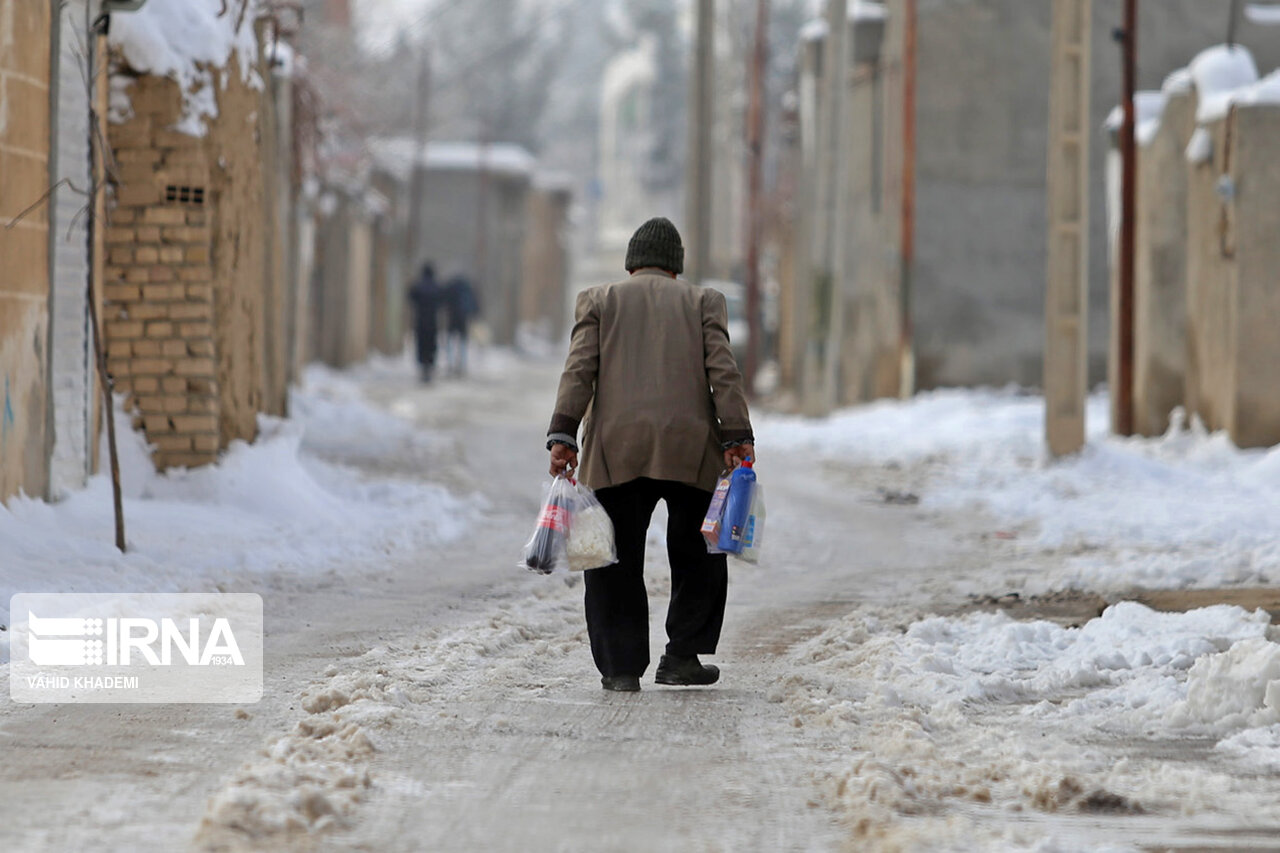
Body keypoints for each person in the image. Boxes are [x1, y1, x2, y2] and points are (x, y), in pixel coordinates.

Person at [545, 217, 755, 693]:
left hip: (617, 450)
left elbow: (579, 371)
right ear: (675, 268)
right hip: (690, 447)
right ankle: (682, 656)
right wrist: (738, 435)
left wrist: (563, 434)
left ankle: (620, 669)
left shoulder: (600, 300)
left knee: (612, 559)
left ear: (632, 264)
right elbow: (724, 373)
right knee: (699, 554)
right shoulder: (704, 302)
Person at [408, 263, 440, 382]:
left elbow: (410, 297)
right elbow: (441, 300)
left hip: (420, 321)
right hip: (432, 321)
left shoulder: (418, 286)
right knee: (431, 346)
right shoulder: (436, 286)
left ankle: (423, 368)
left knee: (421, 345)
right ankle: (429, 367)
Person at [442, 272, 478, 377]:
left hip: (452, 317)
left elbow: (444, 301)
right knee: (462, 341)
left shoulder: (450, 288)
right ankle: (462, 363)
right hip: (463, 318)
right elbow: (473, 303)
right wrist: (474, 313)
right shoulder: (467, 289)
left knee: (450, 339)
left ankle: (451, 362)